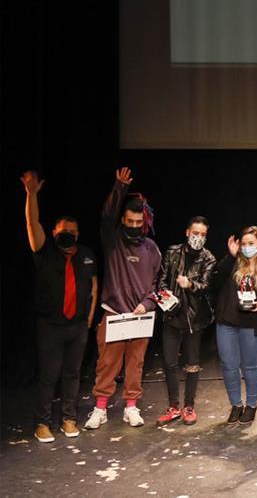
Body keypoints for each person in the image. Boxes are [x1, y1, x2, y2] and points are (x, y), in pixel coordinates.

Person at [22, 171, 98, 443]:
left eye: (73, 232)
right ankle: (42, 424)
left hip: (77, 326)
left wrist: (88, 319)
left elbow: (93, 286)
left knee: (73, 374)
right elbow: (32, 224)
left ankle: (68, 419)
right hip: (50, 325)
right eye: (64, 231)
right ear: (55, 232)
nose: (68, 235)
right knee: (48, 375)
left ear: (78, 234)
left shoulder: (86, 254)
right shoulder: (44, 250)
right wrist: (31, 195)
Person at [84, 167, 162, 431]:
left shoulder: (152, 249)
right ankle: (100, 409)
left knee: (135, 364)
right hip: (115, 313)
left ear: (145, 222)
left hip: (140, 316)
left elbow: (157, 285)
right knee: (107, 363)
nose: (133, 227)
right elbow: (107, 216)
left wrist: (148, 304)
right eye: (128, 222)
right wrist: (119, 188)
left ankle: (131, 408)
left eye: (138, 223)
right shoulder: (113, 240)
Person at [153, 216, 216, 427]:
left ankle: (189, 406)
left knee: (192, 364)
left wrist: (189, 284)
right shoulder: (172, 252)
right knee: (170, 363)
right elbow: (161, 279)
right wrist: (165, 295)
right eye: (195, 233)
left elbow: (205, 286)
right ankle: (173, 407)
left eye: (203, 235)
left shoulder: (208, 258)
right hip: (172, 315)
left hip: (194, 318)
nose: (198, 238)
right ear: (187, 232)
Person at [211, 226, 257, 425]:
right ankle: (236, 405)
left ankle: (251, 405)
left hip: (253, 324)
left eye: (251, 244)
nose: (247, 248)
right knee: (229, 365)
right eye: (244, 244)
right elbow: (214, 281)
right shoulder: (232, 263)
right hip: (227, 322)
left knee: (250, 365)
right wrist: (230, 257)